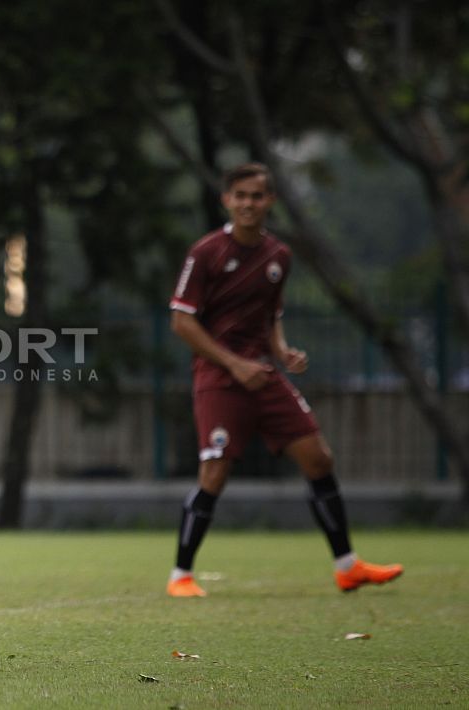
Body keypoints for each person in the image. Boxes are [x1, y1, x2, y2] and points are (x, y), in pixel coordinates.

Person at [165, 162, 403, 597]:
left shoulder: (278, 256)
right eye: (240, 195)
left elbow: (271, 314)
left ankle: (347, 566)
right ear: (227, 200)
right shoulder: (206, 253)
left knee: (318, 458)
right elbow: (181, 322)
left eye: (257, 196)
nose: (248, 204)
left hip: (264, 374)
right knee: (214, 472)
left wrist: (281, 350)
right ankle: (180, 575)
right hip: (219, 377)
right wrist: (233, 363)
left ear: (270, 201)